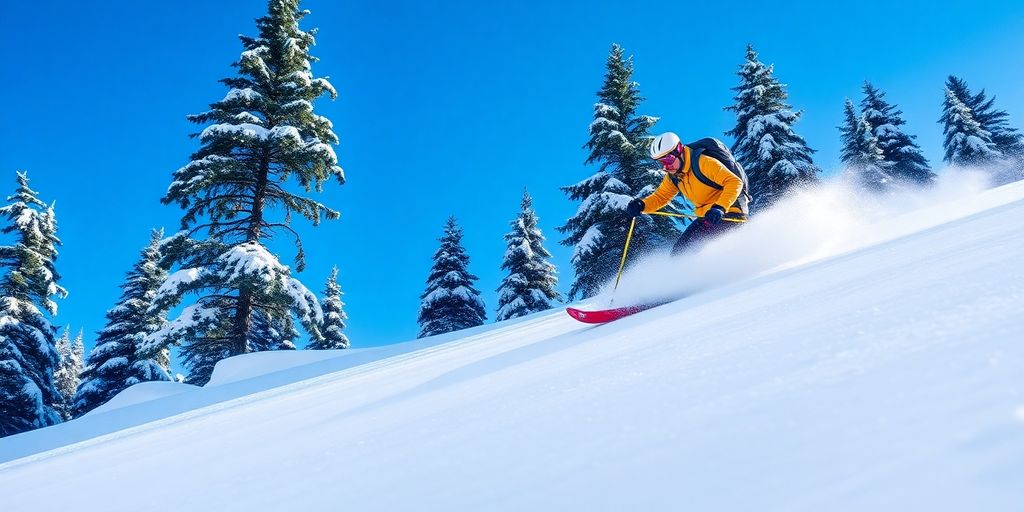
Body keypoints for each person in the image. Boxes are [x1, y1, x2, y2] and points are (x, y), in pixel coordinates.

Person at [625, 132, 751, 256]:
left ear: (679, 150)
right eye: (661, 162)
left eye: (668, 160)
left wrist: (720, 207)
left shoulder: (703, 162)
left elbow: (734, 182)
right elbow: (661, 196)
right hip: (706, 217)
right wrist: (642, 205)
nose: (666, 167)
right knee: (678, 254)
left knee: (705, 252)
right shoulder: (674, 176)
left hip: (730, 213)